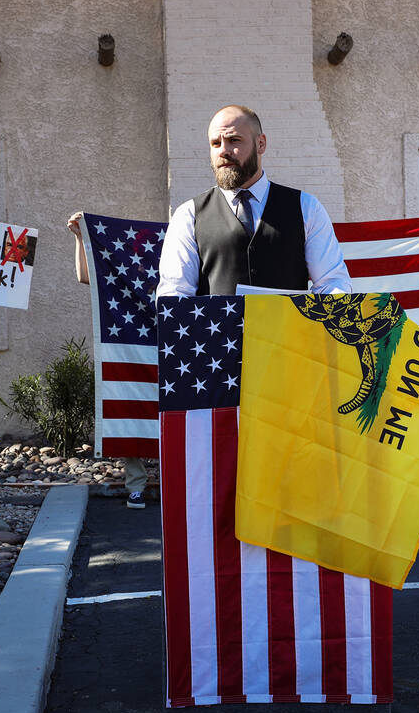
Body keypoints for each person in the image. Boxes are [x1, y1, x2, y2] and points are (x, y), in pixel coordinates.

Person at [155, 104, 352, 298]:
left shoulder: (306, 207)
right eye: (216, 143)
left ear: (261, 144)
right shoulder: (189, 215)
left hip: (288, 330)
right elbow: (175, 294)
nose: (223, 151)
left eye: (234, 140)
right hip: (217, 330)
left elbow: (332, 283)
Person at [66, 210, 151, 509]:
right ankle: (136, 485)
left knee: (172, 415)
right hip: (133, 349)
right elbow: (85, 276)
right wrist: (81, 237)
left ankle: (175, 482)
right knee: (131, 410)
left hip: (170, 348)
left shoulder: (175, 267)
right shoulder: (121, 275)